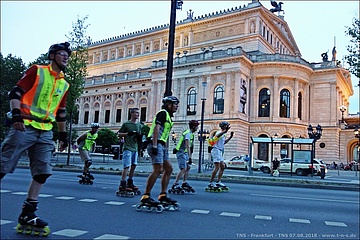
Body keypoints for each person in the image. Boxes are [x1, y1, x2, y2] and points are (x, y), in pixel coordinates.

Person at [0, 42, 71, 232]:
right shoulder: (37, 71)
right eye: (62, 54)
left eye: (67, 55)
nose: (65, 57)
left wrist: (63, 135)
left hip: (46, 130)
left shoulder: (64, 84)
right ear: (52, 56)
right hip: (25, 125)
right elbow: (15, 93)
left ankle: (27, 213)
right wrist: (16, 116)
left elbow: (61, 112)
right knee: (3, 164)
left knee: (42, 172)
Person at [140, 96, 179, 205]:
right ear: (169, 105)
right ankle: (146, 195)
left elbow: (165, 134)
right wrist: (155, 145)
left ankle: (163, 195)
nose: (176, 106)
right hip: (155, 143)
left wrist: (165, 147)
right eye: (175, 104)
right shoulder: (162, 113)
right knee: (158, 169)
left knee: (169, 168)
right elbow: (156, 128)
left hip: (162, 145)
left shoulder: (169, 117)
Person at [116, 108, 142, 193]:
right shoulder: (126, 124)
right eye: (136, 113)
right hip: (127, 147)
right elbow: (119, 134)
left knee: (134, 165)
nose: (138, 114)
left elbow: (139, 135)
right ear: (132, 114)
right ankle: (123, 184)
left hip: (135, 147)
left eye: (138, 113)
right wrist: (127, 134)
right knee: (127, 165)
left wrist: (139, 136)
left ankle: (130, 181)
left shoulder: (138, 125)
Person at [170, 120, 199, 192]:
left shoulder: (190, 133)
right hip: (181, 152)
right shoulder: (188, 134)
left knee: (188, 167)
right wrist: (190, 157)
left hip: (184, 152)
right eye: (196, 127)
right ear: (193, 127)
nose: (197, 128)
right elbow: (187, 145)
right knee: (183, 168)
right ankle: (175, 184)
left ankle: (184, 182)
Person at [208, 121, 234, 189]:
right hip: (215, 150)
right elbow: (217, 136)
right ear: (223, 127)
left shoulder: (223, 134)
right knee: (217, 166)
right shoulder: (219, 132)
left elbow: (223, 143)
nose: (227, 127)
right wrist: (225, 131)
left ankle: (218, 181)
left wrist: (230, 137)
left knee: (223, 166)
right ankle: (211, 182)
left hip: (219, 151)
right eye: (226, 126)